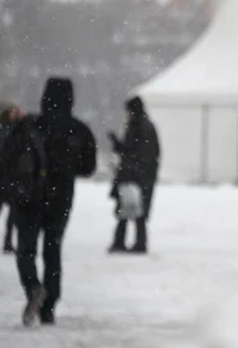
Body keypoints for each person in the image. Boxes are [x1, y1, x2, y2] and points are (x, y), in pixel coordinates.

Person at [4, 77, 97, 326]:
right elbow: (88, 168)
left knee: (26, 250)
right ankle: (49, 307)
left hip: (29, 197)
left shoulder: (31, 124)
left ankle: (34, 288)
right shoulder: (80, 130)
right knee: (52, 250)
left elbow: (10, 158)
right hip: (61, 198)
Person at [108, 96, 160, 254]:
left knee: (128, 209)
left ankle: (125, 241)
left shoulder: (138, 126)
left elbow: (131, 151)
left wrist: (119, 147)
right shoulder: (145, 126)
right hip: (141, 176)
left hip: (134, 176)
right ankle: (135, 241)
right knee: (136, 210)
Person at [0, 104, 26, 253]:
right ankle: (8, 241)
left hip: (8, 177)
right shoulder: (16, 132)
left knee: (12, 213)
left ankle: (8, 240)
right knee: (13, 213)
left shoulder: (12, 131)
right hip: (10, 178)